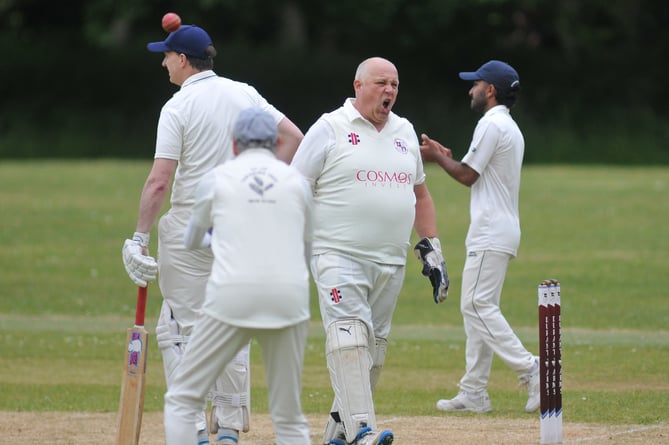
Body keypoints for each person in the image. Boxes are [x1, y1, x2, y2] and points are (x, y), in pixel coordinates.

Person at [120, 24, 304, 445]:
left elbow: (159, 181)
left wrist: (138, 237)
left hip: (191, 224)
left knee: (179, 329)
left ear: (182, 60)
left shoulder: (178, 106)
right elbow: (293, 137)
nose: (163, 63)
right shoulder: (246, 93)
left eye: (166, 56)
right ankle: (231, 428)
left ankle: (197, 430)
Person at [291, 56, 449, 445]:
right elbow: (294, 185)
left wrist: (433, 249)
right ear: (358, 85)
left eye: (394, 84)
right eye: (381, 83)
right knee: (349, 339)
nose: (389, 91)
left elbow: (420, 194)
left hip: (390, 261)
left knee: (373, 350)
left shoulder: (404, 131)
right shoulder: (330, 128)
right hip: (337, 254)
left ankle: (339, 433)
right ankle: (362, 430)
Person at [163, 107, 313, 445]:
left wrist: (225, 236)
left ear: (234, 144)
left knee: (183, 400)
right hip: (289, 297)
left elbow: (190, 240)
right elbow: (305, 249)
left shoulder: (216, 178)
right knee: (289, 417)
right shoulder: (298, 183)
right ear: (276, 143)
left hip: (231, 295)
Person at [419, 60, 540, 414]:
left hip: (491, 229)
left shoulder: (491, 124)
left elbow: (468, 175)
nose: (470, 89)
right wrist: (443, 157)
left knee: (475, 305)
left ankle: (532, 370)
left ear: (490, 90)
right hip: (497, 228)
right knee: (479, 308)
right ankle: (473, 391)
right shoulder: (507, 126)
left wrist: (434, 159)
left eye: (476, 84)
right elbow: (472, 170)